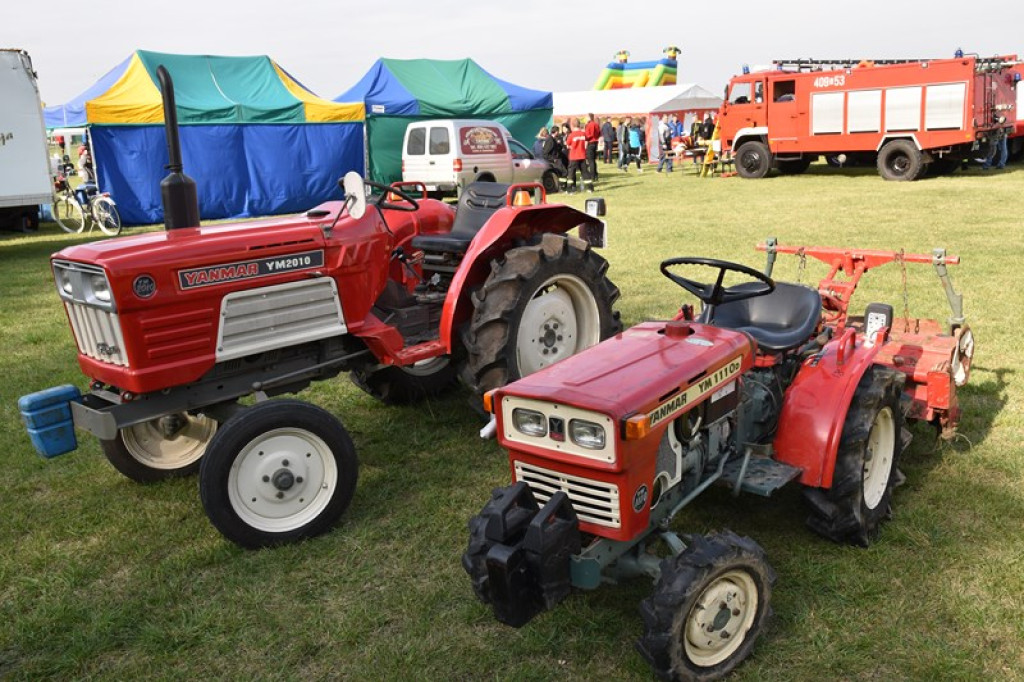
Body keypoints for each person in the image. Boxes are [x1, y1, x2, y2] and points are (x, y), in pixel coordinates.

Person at [565, 118, 593, 193]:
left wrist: (572, 147)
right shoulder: (583, 134)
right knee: (585, 172)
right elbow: (587, 141)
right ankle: (590, 188)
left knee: (571, 173)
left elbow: (567, 145)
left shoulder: (571, 135)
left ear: (572, 125)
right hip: (582, 156)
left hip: (573, 156)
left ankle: (570, 189)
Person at [584, 113, 601, 180]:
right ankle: (595, 174)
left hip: (590, 143)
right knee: (593, 160)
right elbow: (599, 133)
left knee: (590, 161)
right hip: (595, 142)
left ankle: (592, 176)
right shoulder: (596, 124)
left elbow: (588, 135)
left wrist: (585, 138)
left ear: (589, 117)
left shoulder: (589, 125)